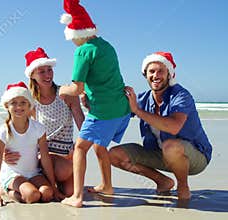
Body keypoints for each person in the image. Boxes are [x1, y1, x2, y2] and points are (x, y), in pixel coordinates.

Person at [109, 52, 213, 200]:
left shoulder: (181, 96)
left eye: (161, 71)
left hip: (194, 157)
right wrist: (91, 102)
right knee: (114, 155)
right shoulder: (142, 99)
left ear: (169, 74)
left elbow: (173, 127)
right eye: (151, 71)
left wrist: (137, 111)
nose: (156, 75)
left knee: (170, 146)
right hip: (159, 154)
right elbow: (114, 112)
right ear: (145, 74)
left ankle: (183, 187)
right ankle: (162, 181)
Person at [58, 0, 131, 208]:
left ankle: (77, 197)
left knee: (80, 148)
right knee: (100, 146)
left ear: (75, 32)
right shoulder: (106, 45)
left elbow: (76, 88)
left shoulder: (83, 51)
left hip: (104, 112)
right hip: (122, 109)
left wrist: (60, 90)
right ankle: (107, 186)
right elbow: (102, 78)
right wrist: (87, 93)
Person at [3, 47, 85, 197]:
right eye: (42, 71)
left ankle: (50, 184)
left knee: (70, 191)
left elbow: (83, 126)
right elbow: (17, 128)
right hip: (41, 154)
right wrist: (5, 152)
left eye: (49, 70)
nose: (48, 75)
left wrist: (79, 148)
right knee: (47, 188)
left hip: (65, 155)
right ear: (32, 75)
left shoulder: (66, 94)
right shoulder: (29, 101)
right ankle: (14, 186)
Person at [0, 82, 62, 207]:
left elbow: (45, 158)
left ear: (29, 105)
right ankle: (7, 190)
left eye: (23, 102)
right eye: (14, 103)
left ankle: (34, 188)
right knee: (32, 195)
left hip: (33, 173)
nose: (19, 107)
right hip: (13, 174)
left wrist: (54, 186)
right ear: (7, 105)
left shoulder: (38, 128)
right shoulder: (4, 130)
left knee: (47, 193)